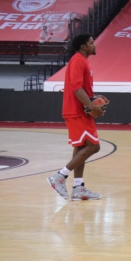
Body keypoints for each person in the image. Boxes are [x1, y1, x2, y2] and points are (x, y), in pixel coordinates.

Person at [47, 33, 105, 202]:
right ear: (83, 47)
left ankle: (78, 188)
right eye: (91, 43)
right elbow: (76, 88)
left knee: (81, 148)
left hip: (76, 110)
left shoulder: (81, 61)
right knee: (94, 147)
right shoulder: (78, 60)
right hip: (77, 111)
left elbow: (82, 89)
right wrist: (91, 106)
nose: (94, 45)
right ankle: (59, 177)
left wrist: (94, 98)